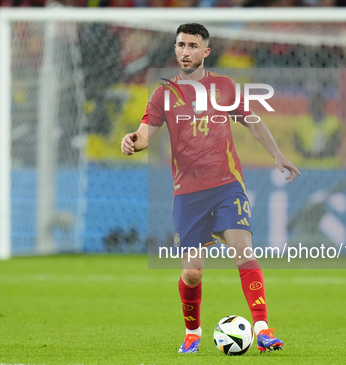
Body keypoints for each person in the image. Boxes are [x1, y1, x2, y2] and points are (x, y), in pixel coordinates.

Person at [120, 23, 300, 354]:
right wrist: (132, 140)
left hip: (226, 185)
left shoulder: (224, 87)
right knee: (192, 271)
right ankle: (192, 332)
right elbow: (145, 134)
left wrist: (277, 154)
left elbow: (252, 120)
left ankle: (262, 328)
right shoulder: (164, 94)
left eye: (192, 45)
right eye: (180, 45)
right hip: (187, 193)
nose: (184, 51)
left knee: (243, 251)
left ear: (206, 51)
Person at [293, 90, 341, 168]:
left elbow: (334, 147)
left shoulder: (333, 123)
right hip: (306, 166)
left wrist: (318, 155)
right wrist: (307, 154)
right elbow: (297, 145)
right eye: (311, 103)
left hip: (328, 167)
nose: (312, 105)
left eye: (316, 103)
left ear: (323, 104)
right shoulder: (301, 123)